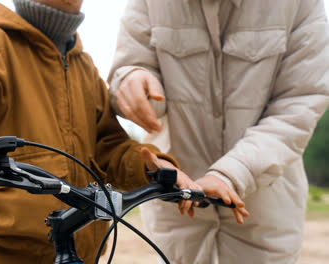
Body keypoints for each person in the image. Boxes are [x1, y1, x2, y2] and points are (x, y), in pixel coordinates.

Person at [0, 0, 235, 263]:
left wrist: (152, 167)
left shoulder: (83, 65)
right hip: (7, 253)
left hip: (83, 245)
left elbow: (108, 145)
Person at [108, 0, 329, 263]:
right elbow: (130, 68)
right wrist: (131, 80)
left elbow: (300, 103)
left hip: (265, 214)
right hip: (176, 212)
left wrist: (232, 174)